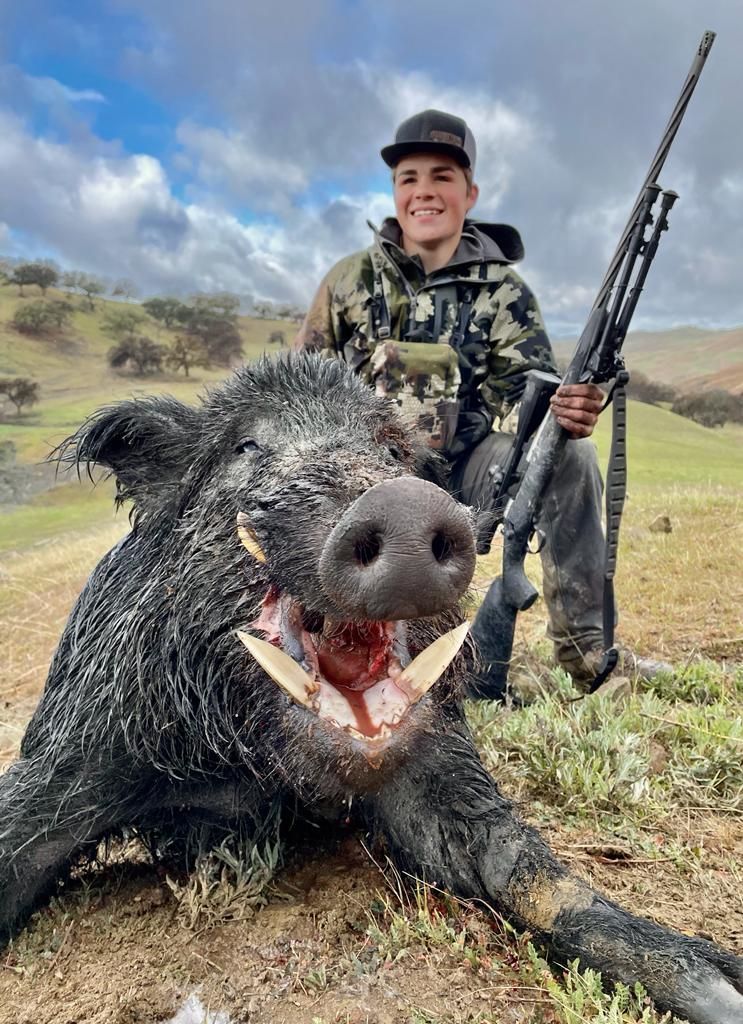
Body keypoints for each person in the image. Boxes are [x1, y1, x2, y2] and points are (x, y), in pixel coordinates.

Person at [295, 108, 666, 690]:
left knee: (572, 459)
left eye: (441, 177)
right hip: (361, 473)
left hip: (468, 467)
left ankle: (586, 652)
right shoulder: (348, 281)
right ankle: (318, 648)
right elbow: (303, 390)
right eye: (408, 178)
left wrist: (567, 412)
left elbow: (533, 393)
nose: (424, 192)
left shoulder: (504, 291)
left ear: (470, 193)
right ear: (394, 192)